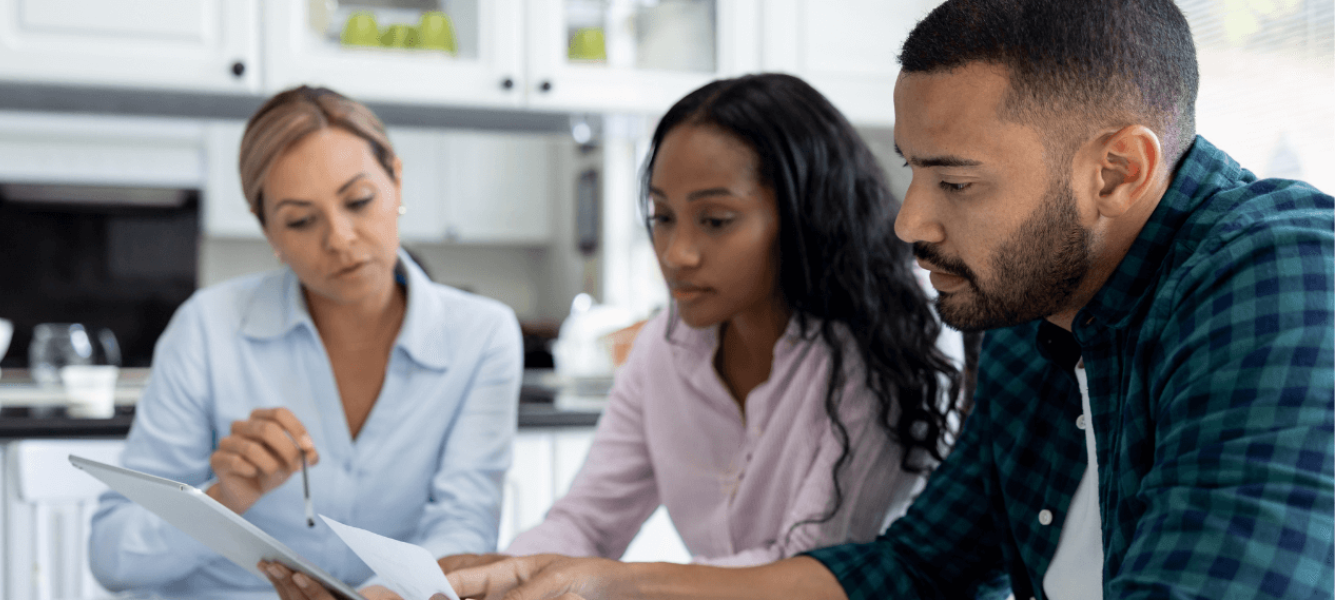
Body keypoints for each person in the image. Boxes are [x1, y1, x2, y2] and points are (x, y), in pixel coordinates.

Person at [432, 1, 1335, 599]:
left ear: (1117, 170)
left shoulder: (1281, 272)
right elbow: (917, 570)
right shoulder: (1032, 310)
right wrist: (595, 582)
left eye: (956, 182)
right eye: (912, 170)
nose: (908, 222)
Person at [264, 72, 965, 600]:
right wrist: (474, 580)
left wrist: (590, 582)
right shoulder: (663, 350)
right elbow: (587, 523)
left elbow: (811, 567)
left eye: (715, 221)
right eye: (662, 217)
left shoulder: (884, 346)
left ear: (808, 217)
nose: (677, 253)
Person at [88, 86, 523, 600]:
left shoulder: (483, 335)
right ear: (268, 230)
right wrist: (223, 499)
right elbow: (112, 557)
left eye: (359, 201)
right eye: (300, 220)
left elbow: (463, 529)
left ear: (396, 181)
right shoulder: (207, 327)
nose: (339, 238)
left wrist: (372, 599)